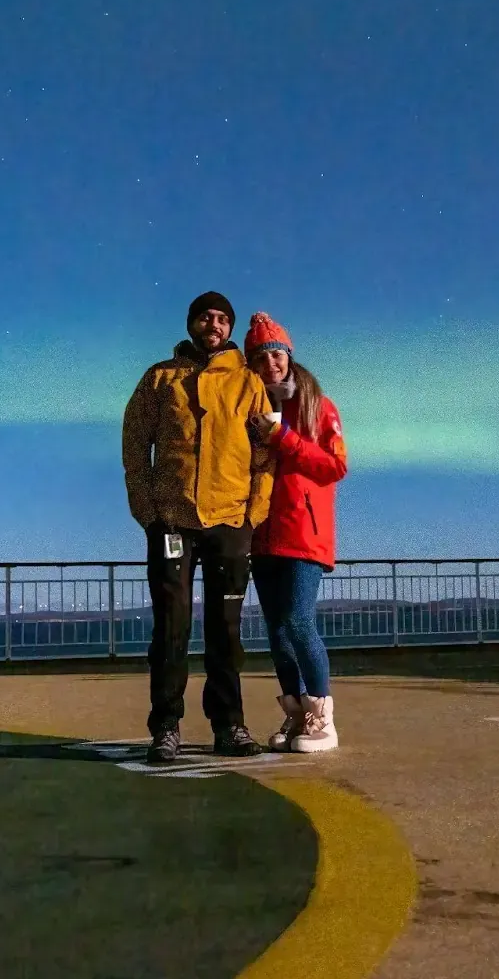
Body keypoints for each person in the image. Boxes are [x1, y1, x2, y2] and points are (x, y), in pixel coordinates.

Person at [122, 291, 275, 764]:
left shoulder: (249, 383)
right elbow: (134, 445)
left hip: (230, 520)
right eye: (206, 317)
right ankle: (165, 728)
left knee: (226, 630)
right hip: (172, 519)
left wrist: (254, 513)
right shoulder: (159, 378)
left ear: (229, 329)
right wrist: (148, 511)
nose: (214, 325)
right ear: (191, 323)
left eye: (222, 319)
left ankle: (229, 726)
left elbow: (266, 452)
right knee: (171, 627)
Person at [243, 313, 349, 752]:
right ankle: (295, 714)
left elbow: (334, 465)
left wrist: (283, 436)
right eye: (261, 358)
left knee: (299, 620)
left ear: (289, 356)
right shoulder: (249, 410)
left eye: (277, 354)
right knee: (276, 629)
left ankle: (322, 716)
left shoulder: (317, 406)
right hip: (262, 533)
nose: (272, 364)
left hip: (304, 532)